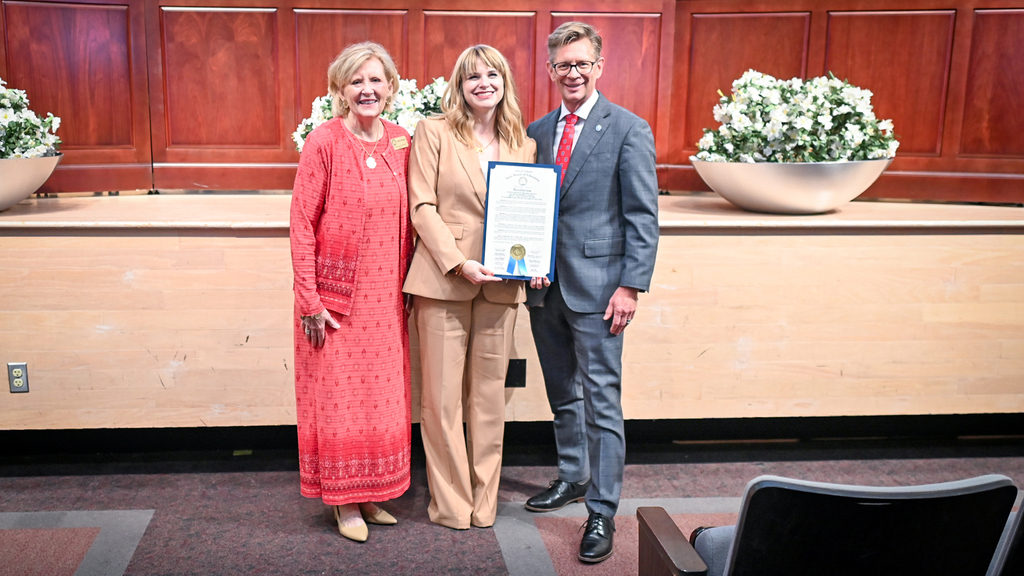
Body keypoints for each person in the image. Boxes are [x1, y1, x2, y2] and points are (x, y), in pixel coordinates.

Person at [523, 22, 660, 563]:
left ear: (599, 67)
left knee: (602, 400)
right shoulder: (535, 132)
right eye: (563, 64)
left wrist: (631, 286)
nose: (573, 73)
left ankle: (602, 510)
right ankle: (573, 475)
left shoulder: (628, 128)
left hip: (603, 289)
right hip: (543, 286)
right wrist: (524, 262)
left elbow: (642, 216)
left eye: (582, 63)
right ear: (550, 70)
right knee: (562, 392)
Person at [403, 45, 538, 530]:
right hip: (443, 280)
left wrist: (534, 261)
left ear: (505, 82)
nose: (484, 83)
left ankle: (485, 502)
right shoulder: (433, 132)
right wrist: (459, 263)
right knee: (441, 402)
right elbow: (421, 206)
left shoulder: (524, 143)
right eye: (472, 76)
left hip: (502, 286)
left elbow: (528, 216)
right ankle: (451, 503)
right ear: (459, 86)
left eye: (492, 75)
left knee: (487, 401)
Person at [290, 42, 414, 543]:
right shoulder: (323, 141)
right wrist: (310, 299)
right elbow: (301, 223)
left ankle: (371, 493)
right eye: (356, 81)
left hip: (387, 300)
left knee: (378, 399)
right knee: (340, 400)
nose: (367, 89)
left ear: (391, 86)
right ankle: (344, 503)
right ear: (339, 90)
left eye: (376, 79)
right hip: (335, 302)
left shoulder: (402, 140)